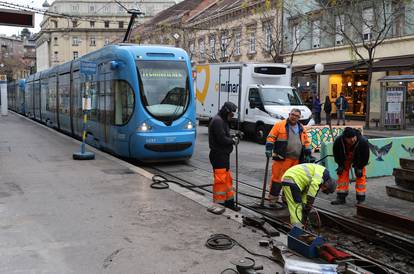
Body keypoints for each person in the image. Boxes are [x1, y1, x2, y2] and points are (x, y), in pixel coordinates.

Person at [265, 108, 312, 205]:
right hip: (282, 158)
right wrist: (269, 148)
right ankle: (273, 200)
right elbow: (271, 137)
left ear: (299, 118)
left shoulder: (301, 128)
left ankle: (286, 200)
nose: (294, 117)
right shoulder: (279, 125)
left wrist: (307, 152)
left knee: (290, 181)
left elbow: (306, 141)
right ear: (289, 114)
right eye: (293, 115)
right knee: (277, 179)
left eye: (297, 116)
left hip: (296, 160)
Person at [208, 101, 240, 211]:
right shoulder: (217, 121)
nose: (232, 117)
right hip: (218, 155)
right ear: (226, 112)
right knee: (220, 180)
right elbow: (221, 139)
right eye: (231, 114)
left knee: (227, 179)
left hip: (223, 155)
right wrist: (233, 140)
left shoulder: (223, 120)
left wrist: (233, 136)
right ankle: (219, 204)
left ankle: (229, 202)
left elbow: (225, 135)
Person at [331, 127, 370, 205]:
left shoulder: (363, 142)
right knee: (342, 174)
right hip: (345, 158)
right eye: (350, 138)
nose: (352, 140)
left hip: (359, 159)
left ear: (355, 135)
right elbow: (337, 154)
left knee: (360, 176)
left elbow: (365, 156)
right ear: (345, 138)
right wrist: (340, 165)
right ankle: (341, 197)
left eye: (353, 137)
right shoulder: (338, 141)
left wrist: (360, 167)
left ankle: (361, 199)